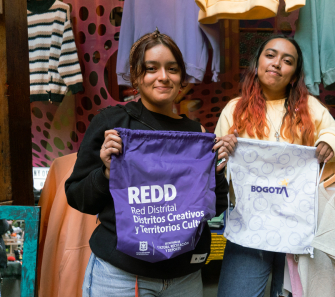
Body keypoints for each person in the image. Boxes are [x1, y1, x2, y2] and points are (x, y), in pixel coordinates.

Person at [65, 30, 229, 297]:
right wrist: (106, 172)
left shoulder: (195, 133)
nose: (163, 76)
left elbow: (214, 207)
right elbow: (78, 198)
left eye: (172, 69)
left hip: (184, 278)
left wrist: (217, 172)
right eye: (151, 68)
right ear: (135, 76)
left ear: (182, 77)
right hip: (121, 277)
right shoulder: (112, 124)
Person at [213, 36, 335, 297]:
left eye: (288, 61)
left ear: (295, 74)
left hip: (300, 227)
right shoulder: (234, 110)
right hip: (250, 224)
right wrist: (224, 152)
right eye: (270, 55)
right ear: (257, 63)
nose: (277, 64)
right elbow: (219, 172)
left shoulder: (310, 108)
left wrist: (330, 141)